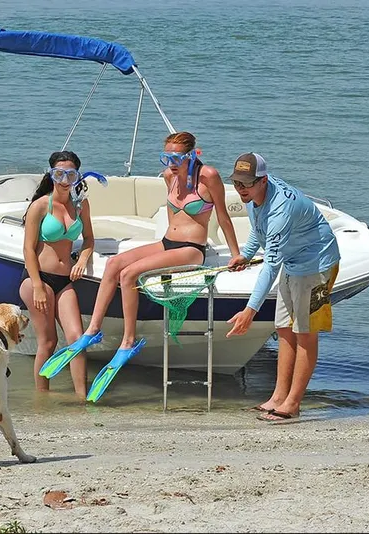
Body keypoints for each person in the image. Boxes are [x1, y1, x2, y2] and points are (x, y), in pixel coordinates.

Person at [45, 131, 242, 400]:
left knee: (129, 275)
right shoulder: (168, 177)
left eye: (177, 157)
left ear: (191, 154)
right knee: (115, 264)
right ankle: (93, 330)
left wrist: (235, 254)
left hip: (191, 249)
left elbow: (223, 215)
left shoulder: (207, 176)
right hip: (167, 242)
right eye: (167, 157)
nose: (171, 162)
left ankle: (127, 341)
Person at [225, 152, 340, 423]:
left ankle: (293, 403)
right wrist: (247, 253)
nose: (241, 189)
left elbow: (270, 267)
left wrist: (249, 311)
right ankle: (277, 397)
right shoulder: (255, 195)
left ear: (263, 180)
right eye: (237, 183)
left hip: (317, 265)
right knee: (284, 328)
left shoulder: (281, 211)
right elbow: (257, 226)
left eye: (246, 184)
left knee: (305, 333)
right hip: (294, 262)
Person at [19, 151, 95, 398]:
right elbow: (28, 249)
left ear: (77, 177)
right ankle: (42, 398)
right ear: (51, 174)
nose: (64, 179)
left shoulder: (81, 206)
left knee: (78, 339)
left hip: (65, 281)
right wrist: (38, 286)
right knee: (48, 342)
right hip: (38, 278)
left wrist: (82, 259)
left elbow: (89, 240)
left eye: (70, 174)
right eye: (59, 174)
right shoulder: (40, 205)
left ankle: (83, 399)